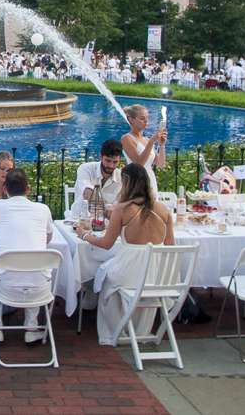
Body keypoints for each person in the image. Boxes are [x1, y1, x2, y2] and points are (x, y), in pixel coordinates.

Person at [76, 164, 176, 345]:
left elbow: (106, 244)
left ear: (127, 183)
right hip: (154, 279)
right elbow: (170, 246)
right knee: (108, 271)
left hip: (129, 275)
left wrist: (84, 235)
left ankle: (115, 329)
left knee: (104, 274)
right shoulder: (163, 210)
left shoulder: (122, 210)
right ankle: (140, 329)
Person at [0, 168, 54, 344]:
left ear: (5, 189)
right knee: (35, 265)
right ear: (28, 189)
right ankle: (31, 326)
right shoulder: (43, 209)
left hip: (5, 284)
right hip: (40, 287)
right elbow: (48, 238)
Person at [67, 139, 123, 220]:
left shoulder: (121, 177)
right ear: (100, 156)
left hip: (107, 222)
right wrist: (107, 208)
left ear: (119, 160)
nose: (111, 166)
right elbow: (87, 193)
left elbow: (122, 204)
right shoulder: (86, 168)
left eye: (115, 162)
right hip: (80, 218)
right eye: (108, 160)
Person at [121, 105, 167, 193]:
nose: (146, 121)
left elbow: (160, 164)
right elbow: (139, 164)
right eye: (142, 118)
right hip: (136, 181)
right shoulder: (126, 138)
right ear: (131, 119)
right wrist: (152, 142)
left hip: (150, 179)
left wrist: (162, 145)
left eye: (147, 118)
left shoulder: (146, 140)